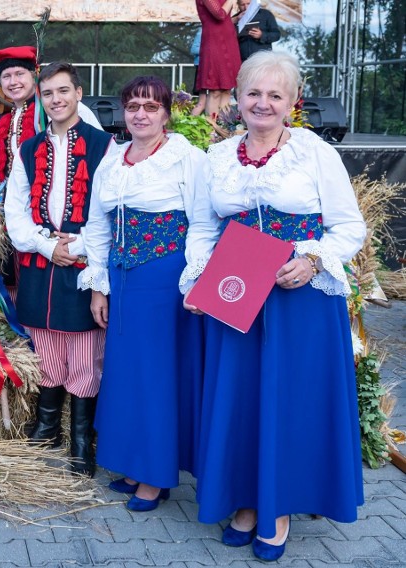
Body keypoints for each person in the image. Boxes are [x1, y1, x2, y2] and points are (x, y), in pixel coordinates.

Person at [184, 51, 366, 561]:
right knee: (240, 397)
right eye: (253, 93)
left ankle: (278, 505)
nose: (262, 103)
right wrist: (196, 280)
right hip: (234, 292)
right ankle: (245, 500)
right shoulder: (216, 159)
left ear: (292, 103)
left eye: (275, 95)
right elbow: (201, 227)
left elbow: (349, 226)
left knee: (290, 400)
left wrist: (312, 260)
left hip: (297, 298)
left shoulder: (313, 153)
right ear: (237, 99)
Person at [79, 76, 219, 509]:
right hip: (122, 278)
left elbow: (203, 223)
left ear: (166, 114)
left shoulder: (186, 158)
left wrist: (192, 278)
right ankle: (134, 462)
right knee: (126, 376)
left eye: (151, 106)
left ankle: (156, 477)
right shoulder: (113, 158)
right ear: (123, 111)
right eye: (133, 105)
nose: (141, 114)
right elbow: (98, 226)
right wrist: (98, 286)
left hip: (165, 279)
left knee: (157, 376)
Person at [4, 62, 114, 477]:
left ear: (79, 93)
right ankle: (47, 425)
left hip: (85, 259)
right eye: (48, 93)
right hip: (41, 258)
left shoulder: (105, 146)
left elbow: (109, 211)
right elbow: (14, 210)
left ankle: (82, 440)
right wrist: (47, 245)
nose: (56, 100)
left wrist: (80, 245)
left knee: (85, 351)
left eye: (63, 91)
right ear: (40, 98)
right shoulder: (28, 149)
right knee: (45, 345)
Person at [0, 46, 103, 192]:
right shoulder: (1, 123)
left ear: (34, 77)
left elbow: (101, 150)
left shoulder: (62, 108)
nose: (13, 82)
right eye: (6, 76)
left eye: (20, 74)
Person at [195, 0, 242, 117]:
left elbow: (225, 19)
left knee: (227, 89)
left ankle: (223, 126)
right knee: (215, 90)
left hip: (229, 40)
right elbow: (220, 14)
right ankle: (211, 128)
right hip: (215, 43)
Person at [190, 29, 207, 116]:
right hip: (202, 67)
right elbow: (193, 50)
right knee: (202, 102)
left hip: (215, 68)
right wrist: (209, 49)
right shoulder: (201, 32)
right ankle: (190, 123)